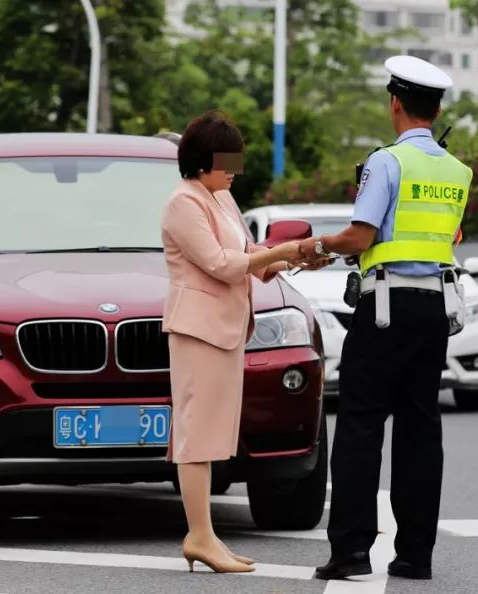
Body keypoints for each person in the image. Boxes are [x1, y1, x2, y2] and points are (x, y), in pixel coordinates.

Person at [304, 56, 472, 581]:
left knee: (360, 425)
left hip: (384, 307)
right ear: (437, 108)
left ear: (395, 104)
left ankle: (351, 551)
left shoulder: (387, 162)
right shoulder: (456, 170)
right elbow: (451, 239)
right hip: (434, 309)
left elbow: (361, 236)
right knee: (422, 429)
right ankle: (415, 555)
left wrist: (318, 246)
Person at [160, 111, 307, 574]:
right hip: (198, 330)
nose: (233, 169)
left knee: (211, 433)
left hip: (223, 329)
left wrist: (290, 261)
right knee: (195, 436)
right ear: (201, 160)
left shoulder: (220, 198)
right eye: (226, 160)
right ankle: (199, 536)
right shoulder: (183, 203)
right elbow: (220, 264)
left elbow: (246, 256)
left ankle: (205, 536)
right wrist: (277, 253)